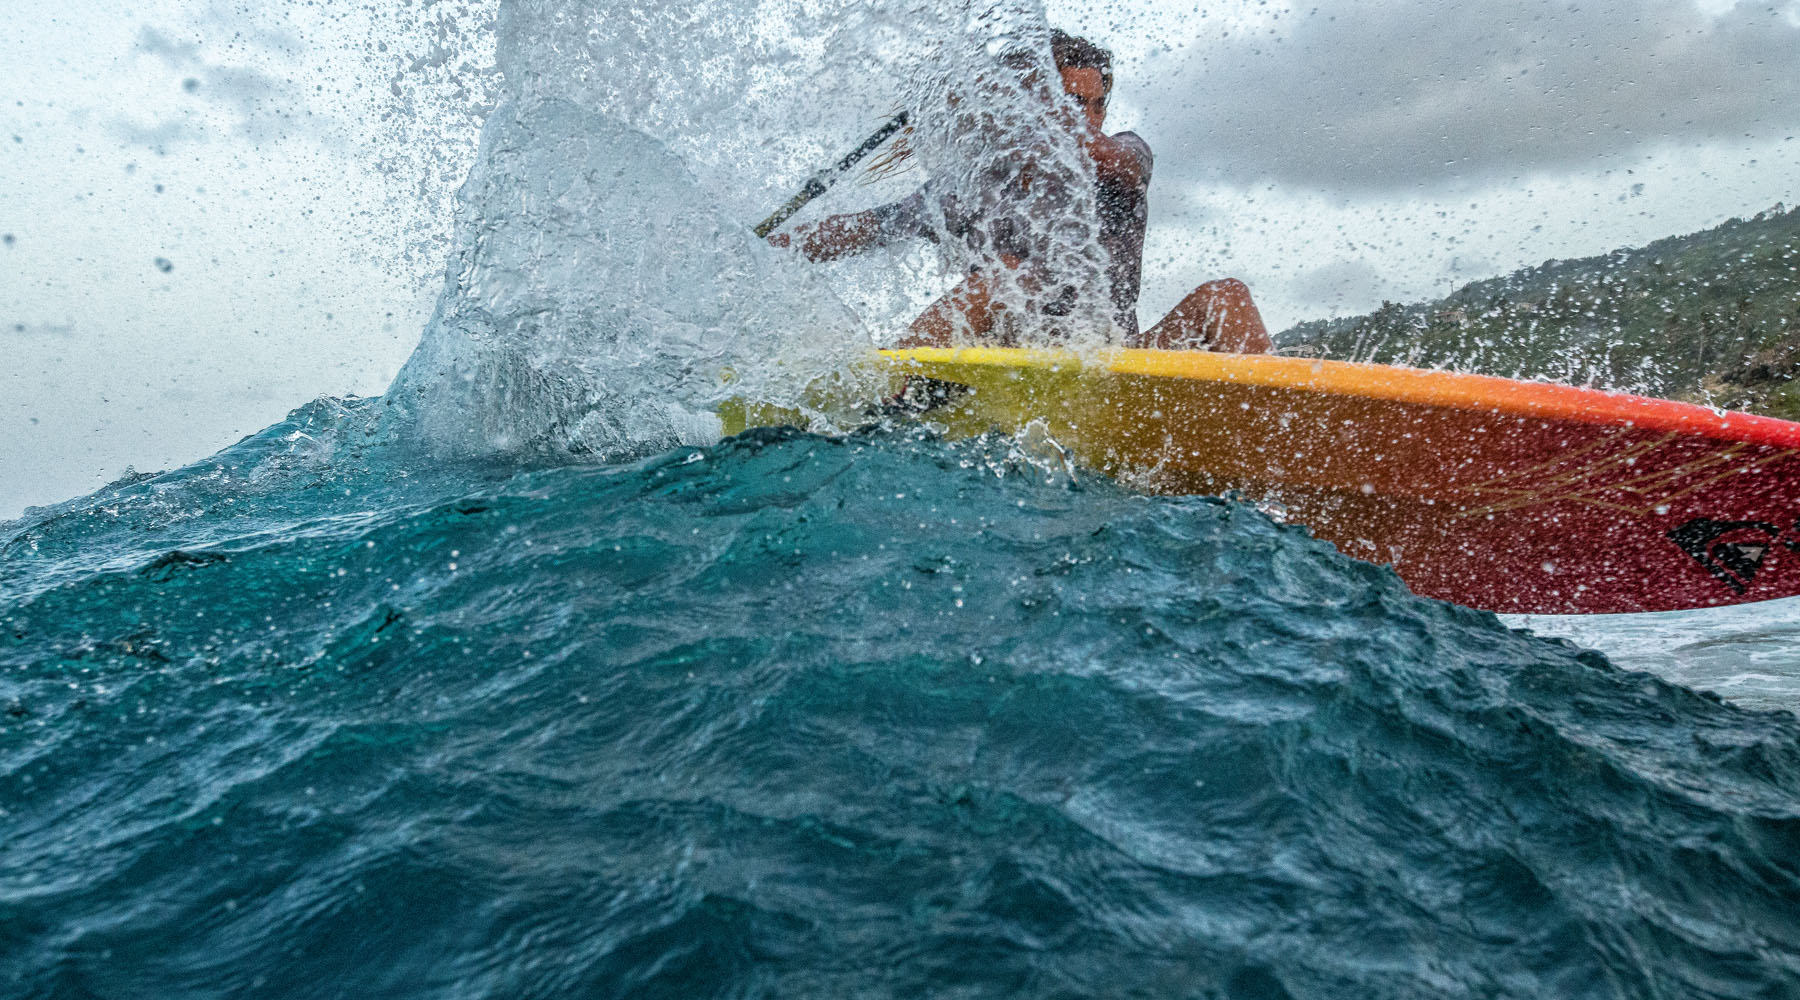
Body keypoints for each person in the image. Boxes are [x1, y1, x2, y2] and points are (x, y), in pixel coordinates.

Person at [770, 30, 1272, 355]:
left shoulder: (1125, 156)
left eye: (1097, 106)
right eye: (1071, 103)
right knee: (1005, 276)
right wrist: (752, 249)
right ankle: (887, 391)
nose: (1089, 119)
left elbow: (1101, 155)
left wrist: (997, 109)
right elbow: (859, 231)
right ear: (1031, 100)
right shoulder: (968, 191)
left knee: (1225, 297)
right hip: (1015, 372)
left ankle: (1289, 435)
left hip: (1119, 364)